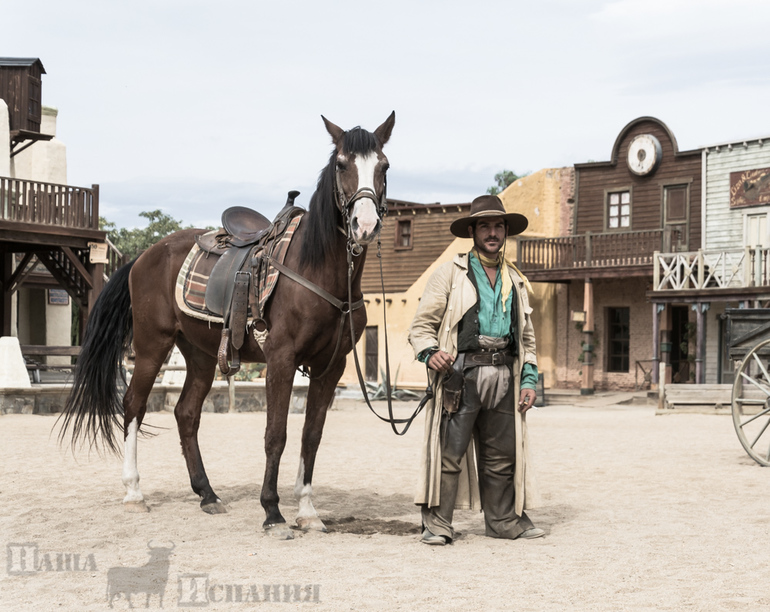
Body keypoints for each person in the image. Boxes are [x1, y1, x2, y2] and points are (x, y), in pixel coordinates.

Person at [408, 194, 543, 545]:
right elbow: (421, 327)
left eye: (499, 226)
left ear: (506, 232)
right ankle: (438, 524)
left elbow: (526, 338)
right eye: (485, 226)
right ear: (472, 231)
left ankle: (501, 522)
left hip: (504, 374)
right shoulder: (449, 274)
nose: (493, 232)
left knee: (501, 457)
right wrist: (430, 352)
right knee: (449, 453)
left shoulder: (515, 279)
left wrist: (529, 380)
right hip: (461, 375)